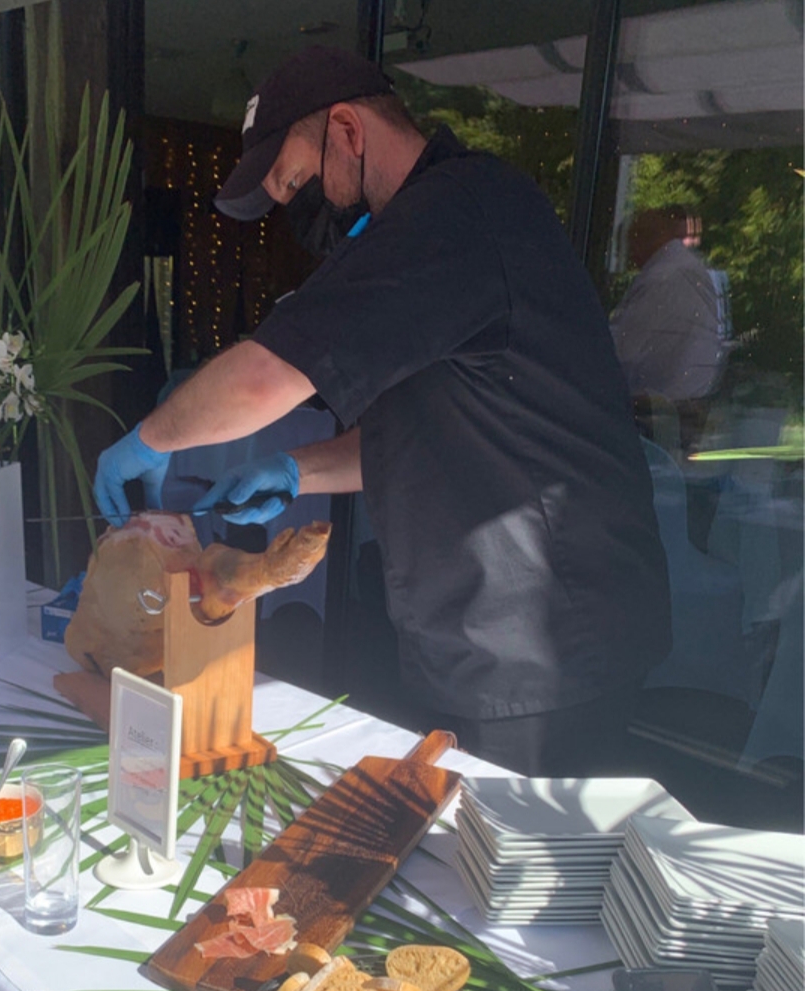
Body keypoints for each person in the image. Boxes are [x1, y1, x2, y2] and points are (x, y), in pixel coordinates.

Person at [93, 47, 671, 777]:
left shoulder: (458, 212)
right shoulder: (434, 233)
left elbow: (264, 379)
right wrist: (295, 470)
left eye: (295, 181)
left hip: (546, 635)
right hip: (474, 634)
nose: (297, 212)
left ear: (348, 129)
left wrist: (151, 436)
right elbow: (425, 430)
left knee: (507, 847)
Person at [610, 205, 733, 451]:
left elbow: (619, 351)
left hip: (657, 418)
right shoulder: (686, 269)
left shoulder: (664, 276)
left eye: (630, 245)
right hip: (681, 412)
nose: (629, 256)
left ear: (645, 239)